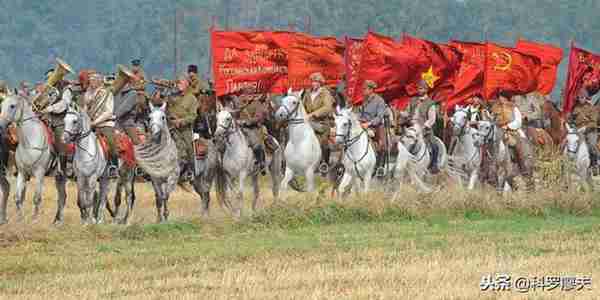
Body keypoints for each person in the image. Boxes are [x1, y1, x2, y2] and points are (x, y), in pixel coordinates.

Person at [490, 90, 534, 191]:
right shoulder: (496, 108)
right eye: (499, 97)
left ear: (506, 98)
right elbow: (493, 120)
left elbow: (518, 121)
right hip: (499, 131)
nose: (500, 99)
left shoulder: (513, 107)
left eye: (502, 97)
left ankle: (522, 164)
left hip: (513, 131)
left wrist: (508, 126)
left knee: (514, 143)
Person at [38, 68, 75, 177]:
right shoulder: (48, 90)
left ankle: (63, 171)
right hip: (47, 120)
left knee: (61, 144)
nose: (50, 79)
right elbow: (41, 104)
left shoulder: (66, 89)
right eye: (48, 78)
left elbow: (64, 104)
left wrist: (50, 108)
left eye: (53, 76)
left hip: (61, 121)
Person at [401, 79, 441, 173]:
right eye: (418, 88)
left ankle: (434, 165)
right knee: (402, 141)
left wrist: (425, 126)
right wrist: (401, 113)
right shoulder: (413, 100)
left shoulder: (430, 103)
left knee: (434, 145)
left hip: (424, 129)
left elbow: (432, 119)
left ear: (426, 90)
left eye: (421, 89)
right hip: (411, 127)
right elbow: (407, 112)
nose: (419, 90)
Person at [302, 72, 335, 173]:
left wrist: (312, 115)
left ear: (320, 82)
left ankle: (324, 163)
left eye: (316, 82)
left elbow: (327, 108)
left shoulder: (325, 93)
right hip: (308, 122)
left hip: (322, 123)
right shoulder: (307, 93)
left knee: (323, 141)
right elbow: (302, 106)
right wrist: (302, 115)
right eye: (312, 81)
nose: (313, 84)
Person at [353, 80, 388, 171]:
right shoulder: (364, 99)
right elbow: (361, 113)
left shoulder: (379, 101)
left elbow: (379, 117)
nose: (363, 90)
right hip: (363, 124)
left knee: (382, 145)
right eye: (363, 88)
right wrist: (356, 119)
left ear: (371, 89)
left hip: (376, 126)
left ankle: (380, 167)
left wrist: (369, 123)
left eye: (365, 89)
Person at [83, 72, 117, 163]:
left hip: (105, 123)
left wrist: (95, 123)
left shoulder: (107, 93)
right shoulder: (88, 93)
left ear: (99, 81)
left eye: (94, 80)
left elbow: (108, 112)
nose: (91, 82)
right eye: (91, 80)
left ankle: (113, 166)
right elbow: (85, 108)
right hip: (90, 123)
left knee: (111, 142)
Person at [237, 90, 269, 174]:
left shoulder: (257, 104)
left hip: (253, 128)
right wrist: (238, 121)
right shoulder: (240, 104)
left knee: (256, 144)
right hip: (241, 128)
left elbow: (258, 117)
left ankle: (261, 162)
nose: (248, 95)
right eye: (246, 93)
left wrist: (249, 121)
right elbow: (236, 114)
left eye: (250, 94)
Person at [569, 88, 599, 168]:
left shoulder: (591, 108)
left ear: (586, 98)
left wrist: (585, 127)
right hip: (578, 130)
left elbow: (593, 122)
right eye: (579, 97)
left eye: (582, 97)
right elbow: (571, 119)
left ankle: (594, 164)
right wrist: (569, 123)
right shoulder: (575, 108)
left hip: (590, 131)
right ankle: (568, 161)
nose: (581, 99)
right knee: (568, 140)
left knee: (592, 145)